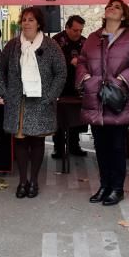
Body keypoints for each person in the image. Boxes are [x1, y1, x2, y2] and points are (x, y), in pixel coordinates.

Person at [77, 0, 129, 206]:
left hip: (119, 101)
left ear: (124, 15)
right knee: (100, 146)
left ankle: (117, 188)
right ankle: (104, 185)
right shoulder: (93, 37)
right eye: (109, 6)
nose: (111, 8)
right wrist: (88, 80)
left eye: (117, 7)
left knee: (117, 147)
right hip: (96, 101)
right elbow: (82, 62)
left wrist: (120, 82)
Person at [0, 7, 66, 199]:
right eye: (24, 20)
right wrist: (4, 92)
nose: (26, 23)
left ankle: (34, 180)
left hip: (40, 102)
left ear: (39, 24)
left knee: (36, 141)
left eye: (31, 20)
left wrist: (50, 96)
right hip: (18, 102)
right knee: (20, 142)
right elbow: (0, 69)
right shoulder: (12, 46)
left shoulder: (51, 46)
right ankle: (22, 181)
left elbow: (61, 73)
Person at [51, 15, 88, 158]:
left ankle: (74, 145)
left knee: (76, 117)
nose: (77, 33)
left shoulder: (84, 42)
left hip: (77, 86)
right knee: (60, 117)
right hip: (59, 86)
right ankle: (58, 147)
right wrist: (69, 61)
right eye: (74, 30)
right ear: (66, 27)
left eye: (80, 30)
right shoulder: (56, 41)